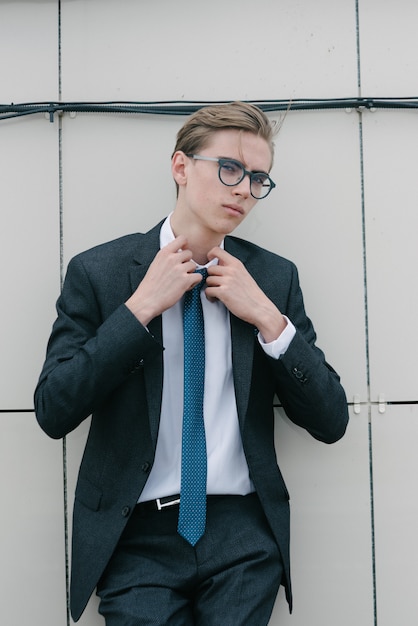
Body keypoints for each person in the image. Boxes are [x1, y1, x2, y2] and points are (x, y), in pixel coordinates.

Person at [35, 101, 349, 625]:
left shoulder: (272, 278)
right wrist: (140, 309)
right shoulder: (101, 273)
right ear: (181, 167)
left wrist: (269, 320)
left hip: (242, 537)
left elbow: (330, 419)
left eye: (258, 178)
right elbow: (53, 407)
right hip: (136, 537)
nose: (244, 190)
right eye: (229, 169)